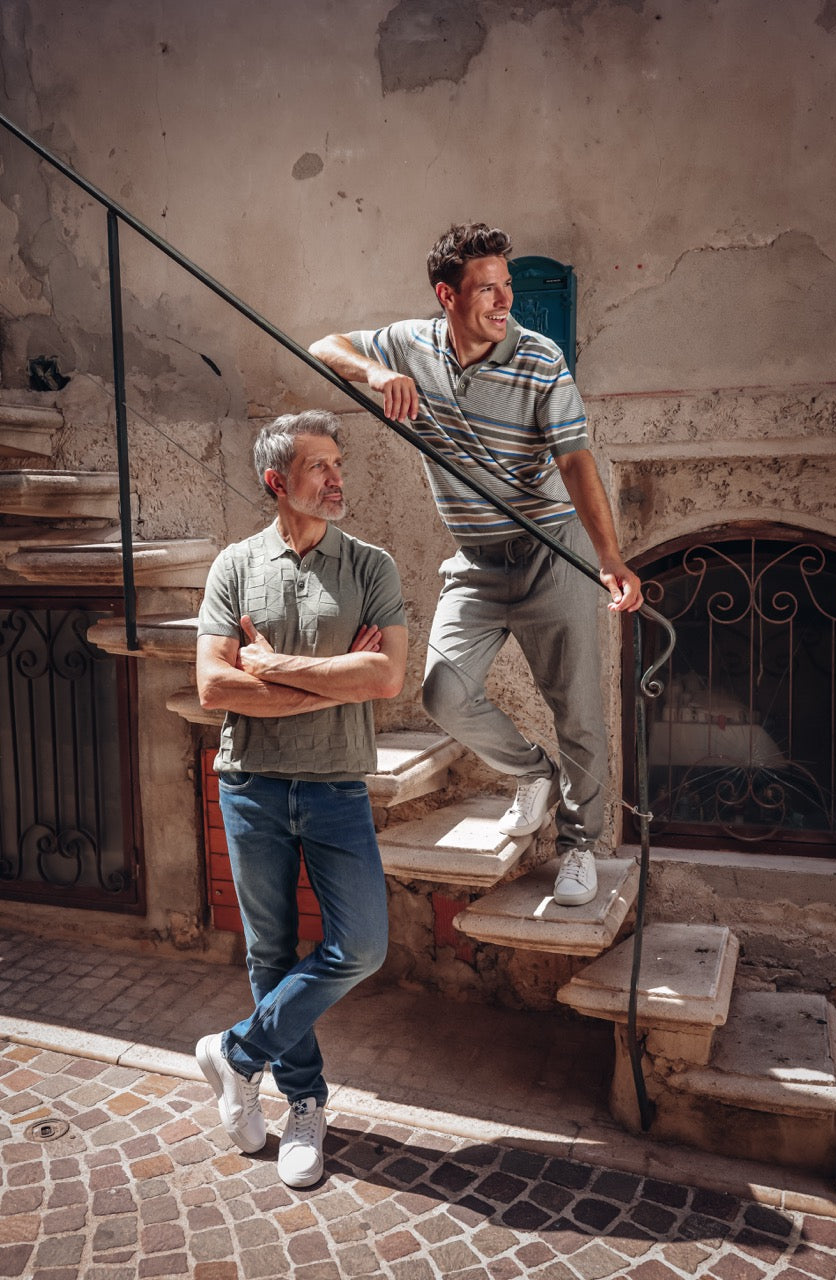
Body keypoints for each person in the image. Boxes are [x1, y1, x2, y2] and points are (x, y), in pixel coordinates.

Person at [309, 222, 642, 908]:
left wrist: (608, 558)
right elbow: (324, 345)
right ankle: (531, 773)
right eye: (485, 289)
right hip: (476, 564)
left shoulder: (540, 358)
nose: (501, 301)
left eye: (506, 287)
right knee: (443, 693)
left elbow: (575, 463)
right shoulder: (413, 344)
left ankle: (580, 845)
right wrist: (378, 374)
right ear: (446, 296)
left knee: (577, 711)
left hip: (552, 551)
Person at [194, 410, 407, 1188]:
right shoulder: (234, 566)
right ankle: (303, 1104)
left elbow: (385, 678)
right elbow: (214, 684)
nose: (336, 478)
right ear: (277, 481)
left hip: (335, 788)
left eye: (337, 463)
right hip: (250, 786)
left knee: (361, 947)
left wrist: (275, 668)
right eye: (319, 466)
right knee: (269, 953)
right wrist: (330, 684)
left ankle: (237, 1053)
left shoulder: (370, 566)